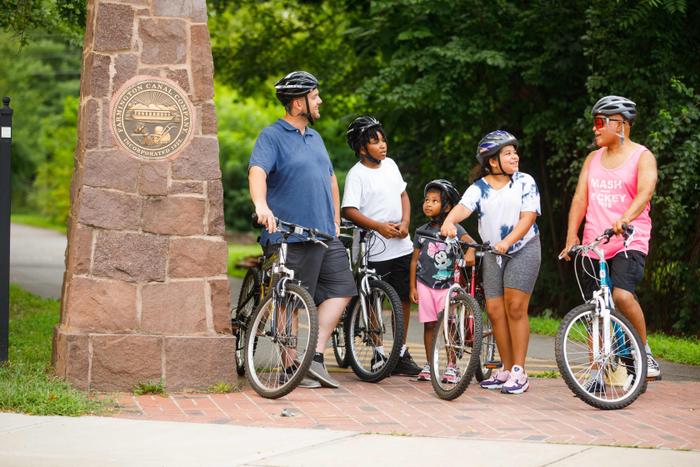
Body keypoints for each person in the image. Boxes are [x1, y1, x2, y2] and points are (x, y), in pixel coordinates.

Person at [248, 71, 357, 389]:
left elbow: (330, 178)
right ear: (299, 102)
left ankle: (314, 356)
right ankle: (290, 364)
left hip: (325, 233)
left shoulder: (316, 137)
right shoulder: (272, 136)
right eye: (315, 95)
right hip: (289, 233)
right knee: (291, 302)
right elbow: (258, 171)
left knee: (342, 289)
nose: (320, 100)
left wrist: (335, 219)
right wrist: (261, 205)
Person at [559, 95, 660, 379]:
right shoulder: (593, 159)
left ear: (621, 124)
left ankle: (645, 352)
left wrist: (626, 218)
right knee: (596, 307)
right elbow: (580, 197)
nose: (595, 128)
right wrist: (571, 236)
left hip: (629, 238)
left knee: (622, 295)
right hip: (595, 241)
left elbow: (646, 192)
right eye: (595, 122)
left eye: (601, 122)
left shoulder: (643, 156)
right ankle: (598, 370)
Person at [441, 130, 541, 395]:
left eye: (515, 151)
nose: (515, 156)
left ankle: (520, 371)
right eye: (508, 153)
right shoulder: (480, 187)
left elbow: (528, 218)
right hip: (492, 254)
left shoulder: (525, 182)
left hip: (523, 248)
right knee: (495, 311)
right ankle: (507, 369)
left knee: (515, 307)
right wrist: (449, 222)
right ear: (492, 161)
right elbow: (462, 208)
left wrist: (507, 242)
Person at [341, 116, 421, 376]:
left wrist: (406, 221)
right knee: (374, 298)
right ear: (362, 148)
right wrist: (378, 226)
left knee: (402, 299)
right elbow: (349, 210)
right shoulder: (357, 175)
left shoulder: (391, 166)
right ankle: (377, 352)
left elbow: (403, 195)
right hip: (374, 247)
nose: (383, 145)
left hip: (401, 245)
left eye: (383, 139)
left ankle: (400, 351)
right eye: (375, 142)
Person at [410, 179, 473, 381]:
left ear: (447, 206)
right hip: (424, 284)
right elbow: (414, 260)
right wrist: (412, 286)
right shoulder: (421, 231)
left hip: (448, 287)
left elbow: (471, 244)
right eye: (426, 200)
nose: (428, 203)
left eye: (434, 201)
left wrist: (470, 253)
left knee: (449, 325)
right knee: (429, 325)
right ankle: (429, 364)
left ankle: (452, 366)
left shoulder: (456, 229)